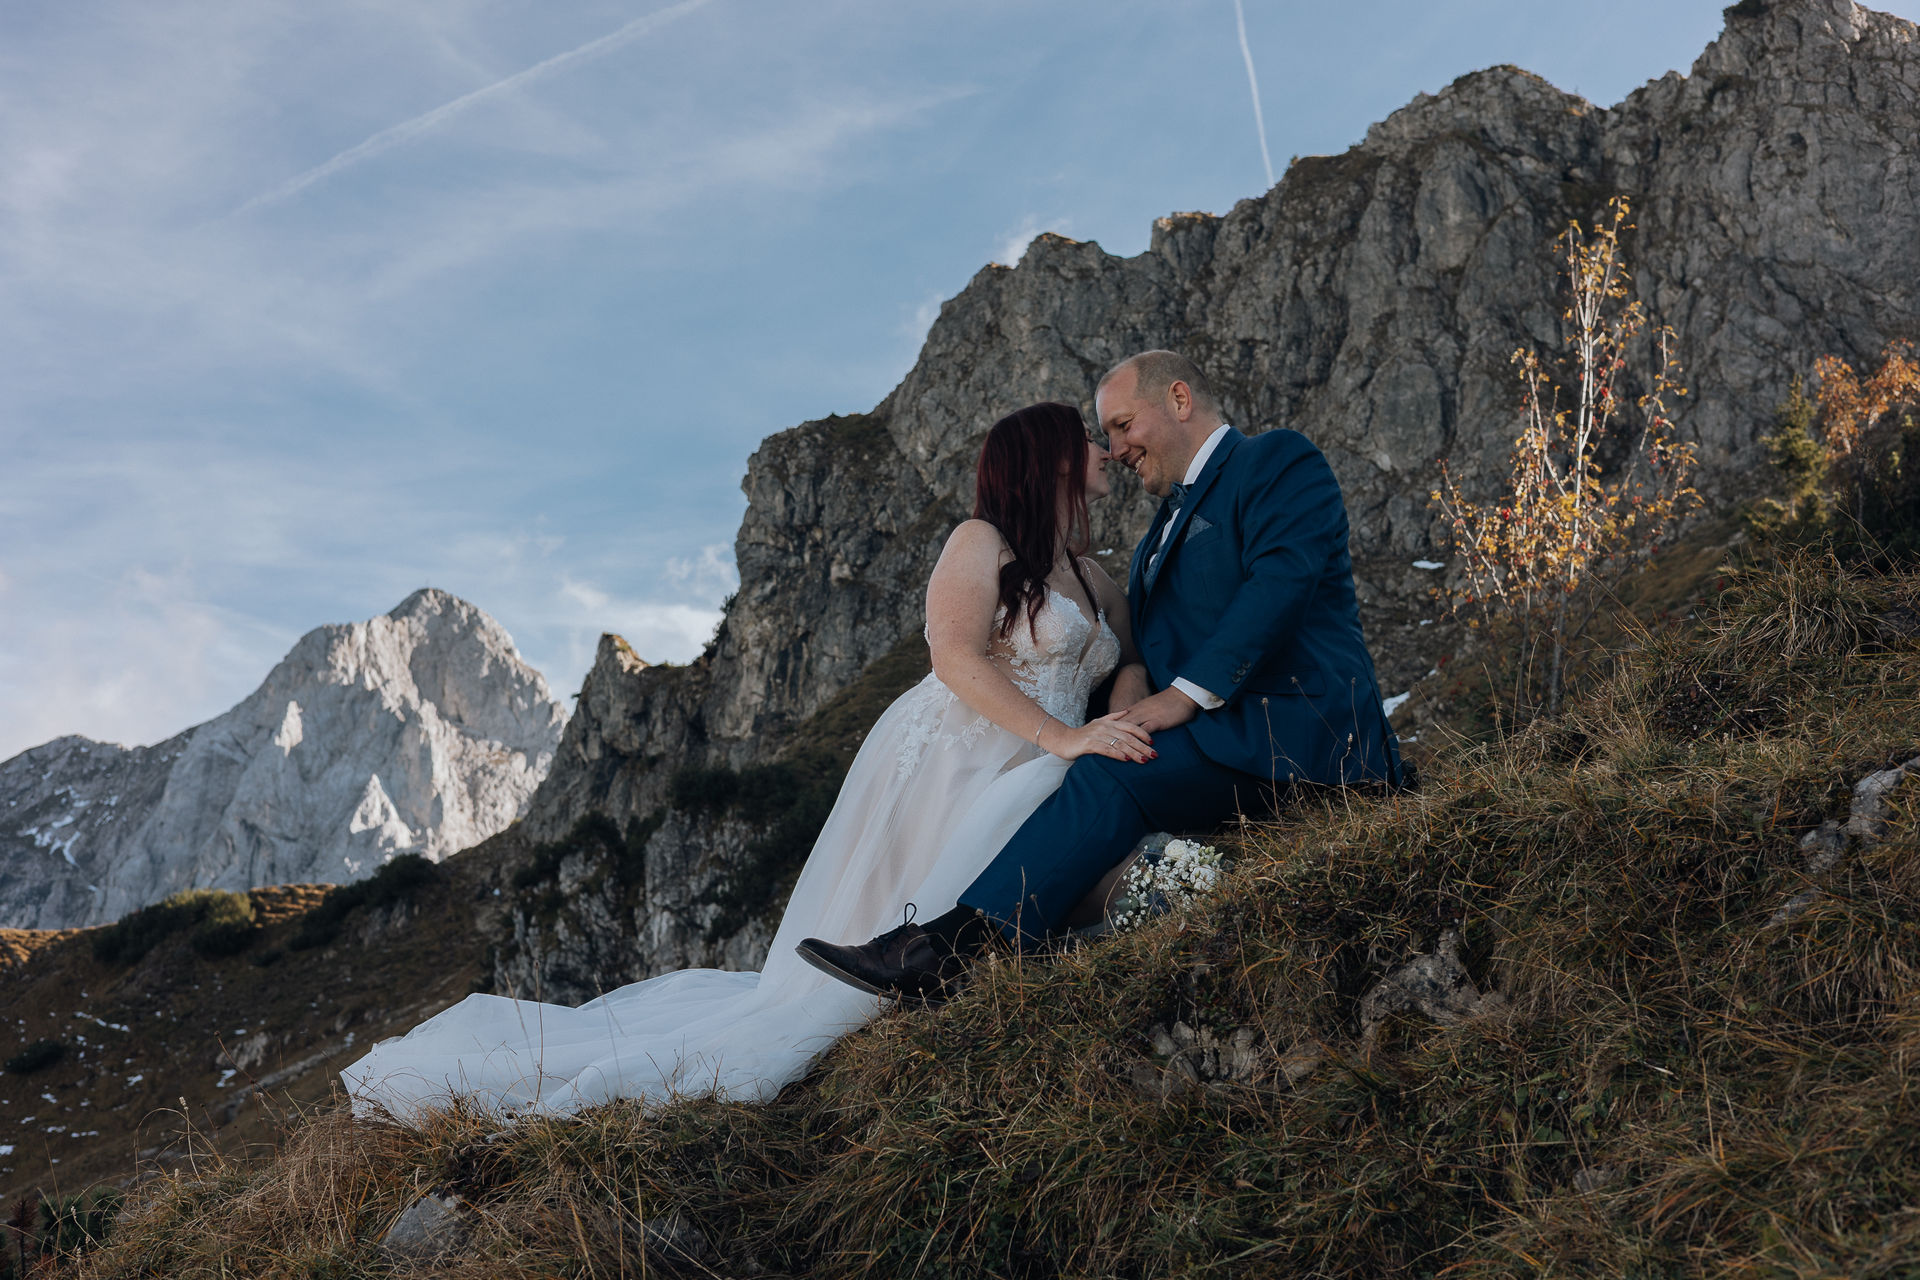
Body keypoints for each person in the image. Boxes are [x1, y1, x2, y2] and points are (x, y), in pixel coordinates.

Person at [342, 401, 1150, 1116]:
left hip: (1040, 760)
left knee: (996, 888)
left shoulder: (1092, 578)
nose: (1104, 451)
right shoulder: (981, 543)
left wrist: (1119, 715)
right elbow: (955, 656)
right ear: (1049, 457)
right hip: (959, 754)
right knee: (911, 902)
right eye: (1088, 439)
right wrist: (1063, 737)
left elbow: (1128, 662)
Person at [796, 350, 1403, 997]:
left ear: (1178, 400)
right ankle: (980, 952)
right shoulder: (1149, 542)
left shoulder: (1274, 460)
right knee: (1105, 775)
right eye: (1103, 435)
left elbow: (1280, 584)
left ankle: (952, 951)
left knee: (1111, 774)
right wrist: (1131, 687)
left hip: (1301, 735)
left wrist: (1182, 695)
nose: (1113, 449)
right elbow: (1138, 647)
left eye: (1121, 425)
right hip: (1217, 744)